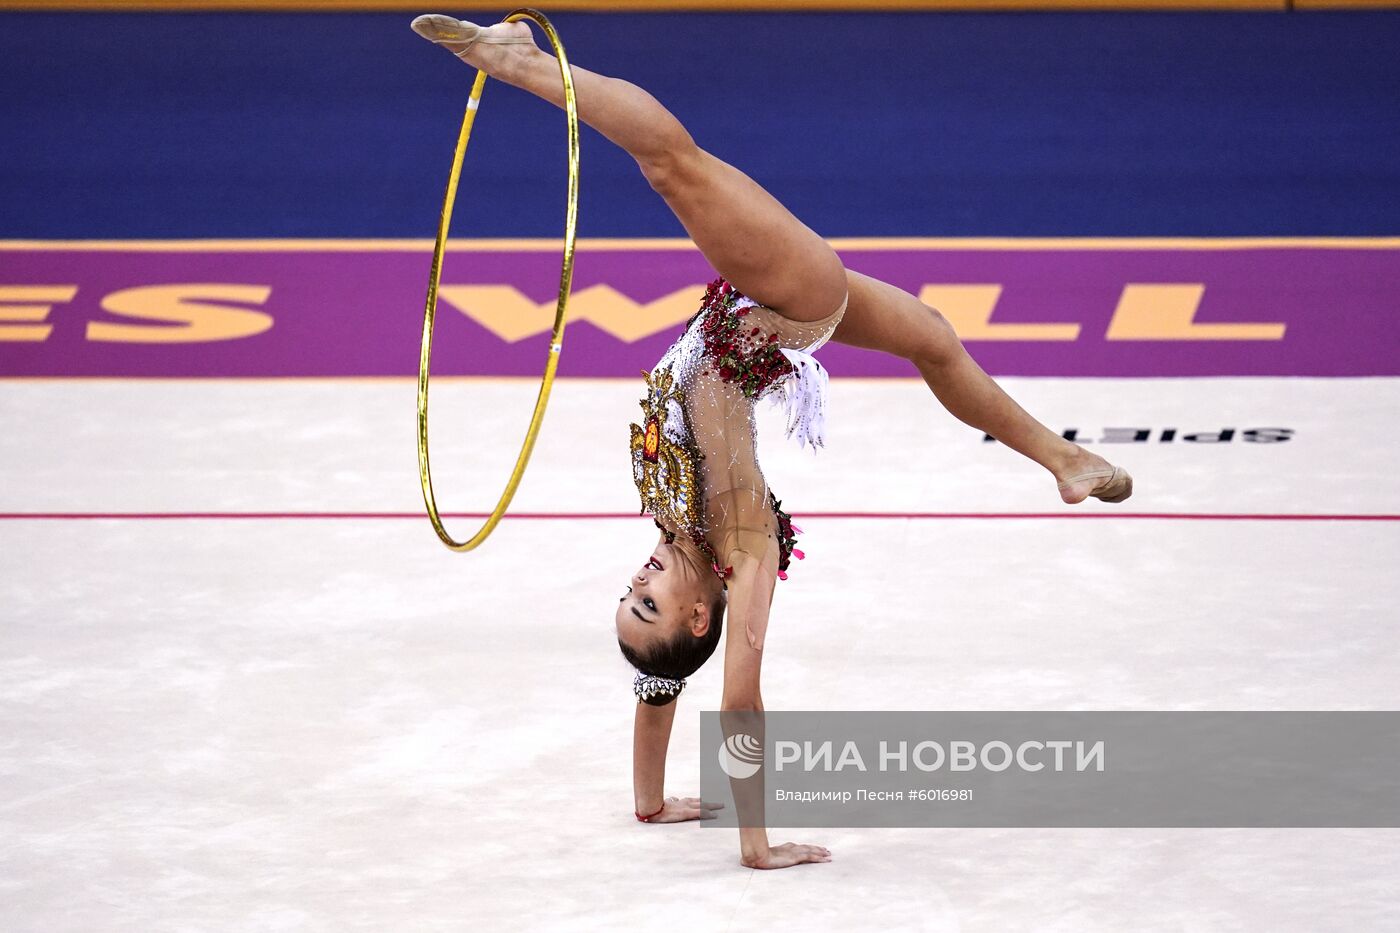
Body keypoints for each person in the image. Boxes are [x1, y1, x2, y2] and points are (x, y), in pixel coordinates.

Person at [413, 14, 1134, 870]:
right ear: (698, 612)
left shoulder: (676, 530)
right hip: (789, 295)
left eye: (627, 596)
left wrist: (651, 801)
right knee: (672, 163)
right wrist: (754, 842)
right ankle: (521, 65)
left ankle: (1065, 459)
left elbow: (661, 678)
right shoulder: (742, 536)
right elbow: (741, 696)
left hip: (765, 309)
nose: (636, 582)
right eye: (648, 603)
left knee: (934, 338)